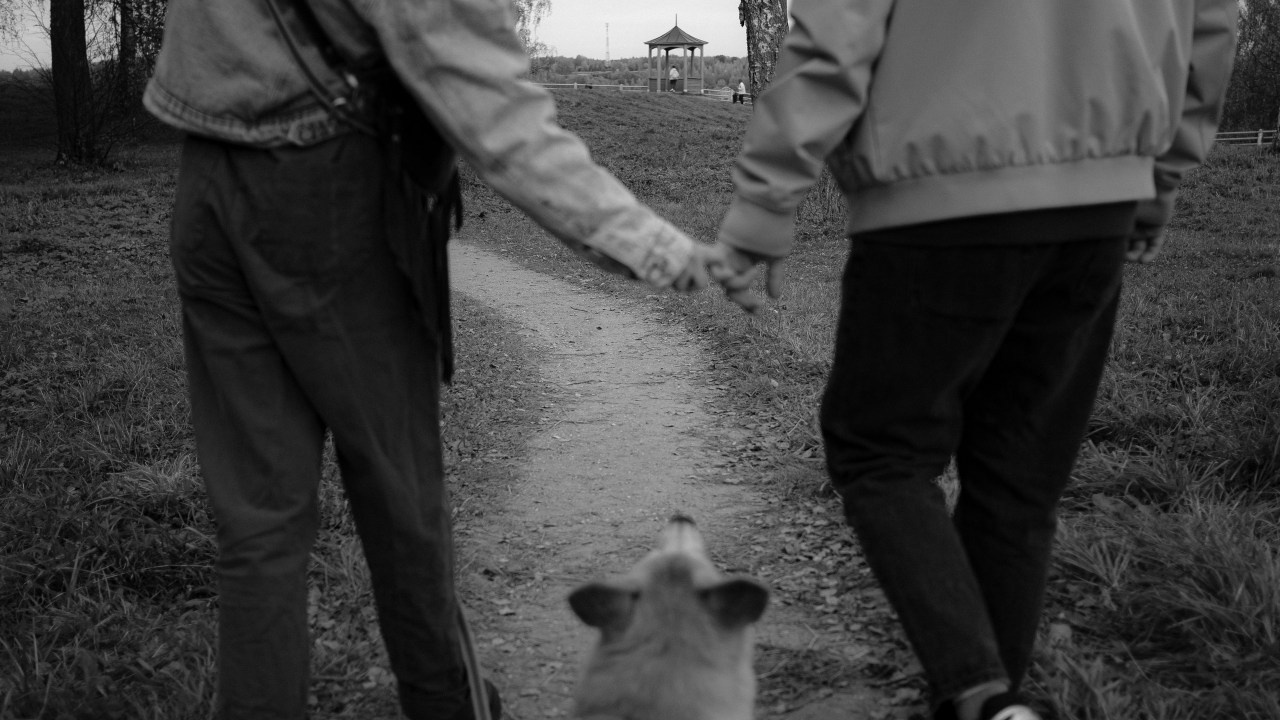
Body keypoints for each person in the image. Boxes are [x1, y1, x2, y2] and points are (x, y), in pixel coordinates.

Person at [142, 1, 709, 718]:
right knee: (401, 493)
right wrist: (653, 244)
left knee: (258, 524)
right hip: (329, 189)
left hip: (206, 177)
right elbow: (488, 101)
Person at [705, 2, 1238, 720]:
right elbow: (1213, 20)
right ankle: (989, 704)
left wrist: (768, 197)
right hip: (1099, 201)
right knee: (1018, 483)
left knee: (882, 453)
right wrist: (1160, 173)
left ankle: (980, 695)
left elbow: (840, 24)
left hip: (935, 193)